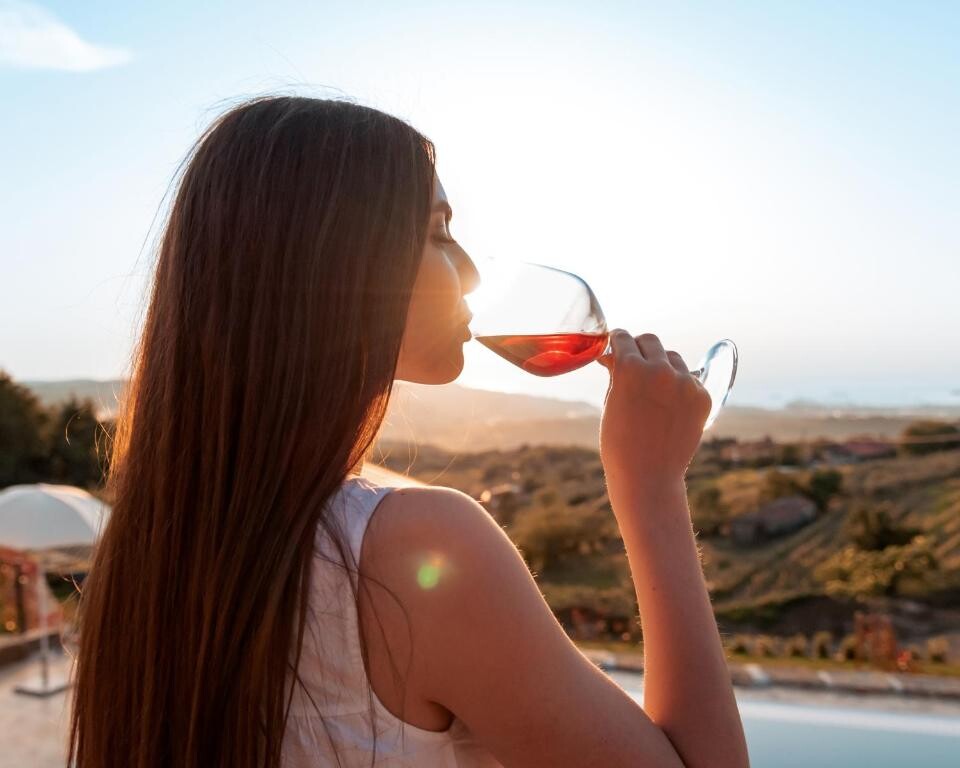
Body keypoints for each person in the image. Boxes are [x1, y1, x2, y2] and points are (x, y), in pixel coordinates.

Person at [68, 96, 749, 768]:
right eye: (438, 232)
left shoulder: (149, 556)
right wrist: (651, 485)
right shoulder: (416, 551)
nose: (471, 272)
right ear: (339, 263)